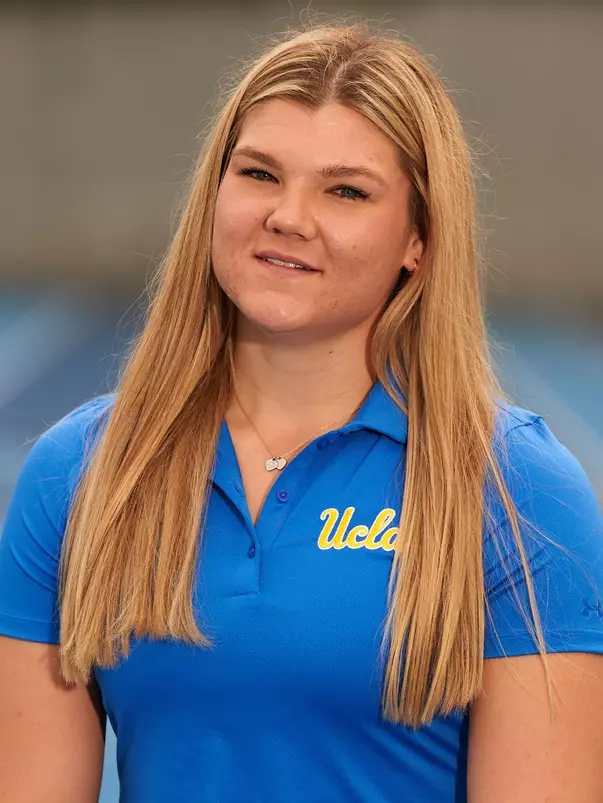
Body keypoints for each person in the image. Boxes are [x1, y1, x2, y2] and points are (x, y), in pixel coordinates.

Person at [1, 20, 602, 803]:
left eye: (345, 190)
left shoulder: (516, 490)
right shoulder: (81, 472)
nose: (288, 216)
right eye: (258, 174)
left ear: (417, 239)